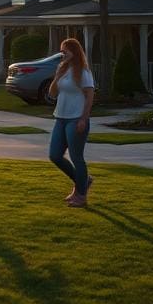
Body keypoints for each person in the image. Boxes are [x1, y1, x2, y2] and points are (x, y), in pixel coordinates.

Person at [48, 37, 96, 208]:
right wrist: (58, 74)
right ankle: (84, 181)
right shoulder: (63, 68)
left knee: (76, 157)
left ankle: (81, 196)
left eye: (65, 50)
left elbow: (89, 96)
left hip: (76, 118)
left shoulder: (83, 71)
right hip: (60, 117)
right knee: (54, 155)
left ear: (74, 51)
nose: (62, 53)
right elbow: (52, 93)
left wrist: (84, 118)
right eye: (61, 50)